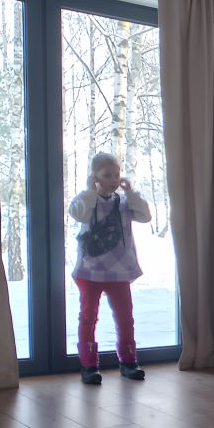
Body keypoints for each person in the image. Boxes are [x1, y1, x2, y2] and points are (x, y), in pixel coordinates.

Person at [68, 152, 152, 384]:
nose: (113, 180)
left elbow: (145, 216)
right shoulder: (86, 200)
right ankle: (89, 365)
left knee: (125, 317)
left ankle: (128, 361)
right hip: (90, 270)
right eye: (107, 175)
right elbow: (78, 214)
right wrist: (90, 192)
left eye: (116, 175)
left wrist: (131, 193)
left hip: (119, 271)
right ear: (94, 176)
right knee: (88, 317)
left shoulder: (124, 203)